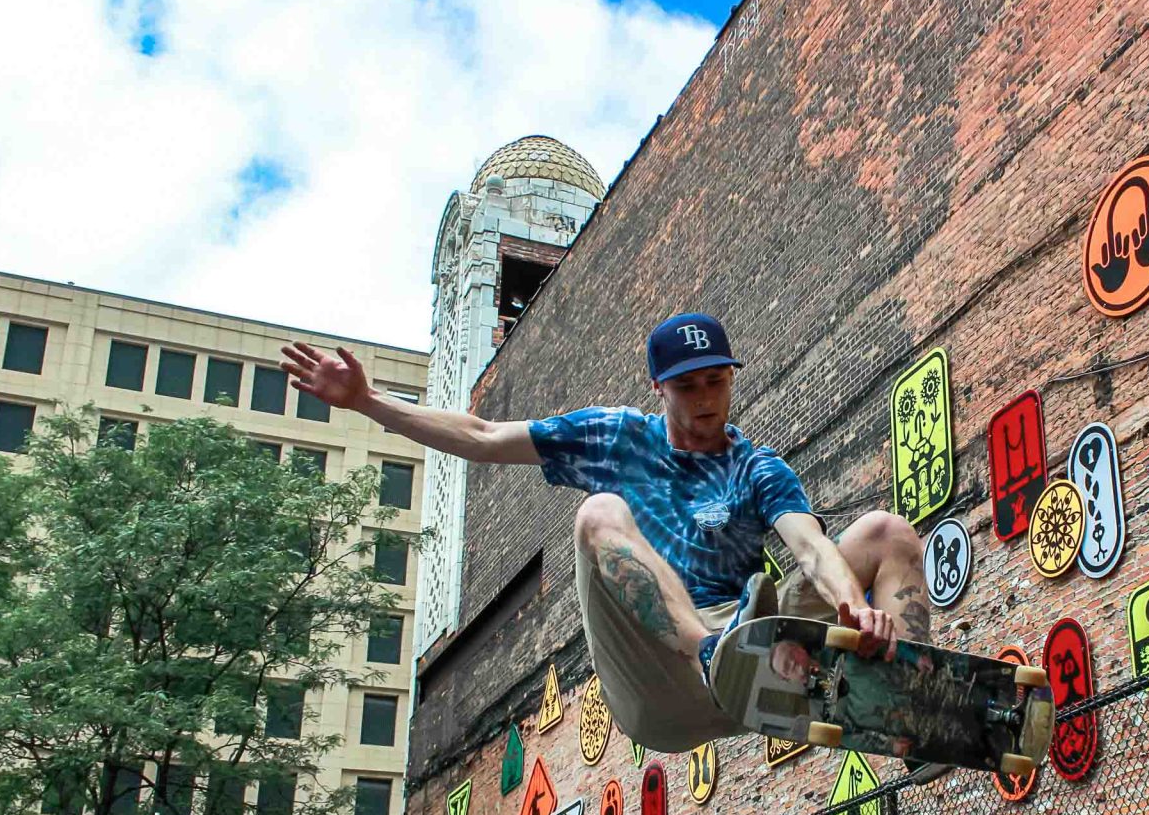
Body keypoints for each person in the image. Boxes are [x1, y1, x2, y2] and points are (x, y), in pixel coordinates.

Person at [280, 313, 935, 764]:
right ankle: (713, 654)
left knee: (885, 531)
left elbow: (810, 545)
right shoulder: (613, 436)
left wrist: (852, 605)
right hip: (659, 677)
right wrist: (370, 402)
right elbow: (482, 439)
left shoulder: (756, 467)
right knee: (599, 512)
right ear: (659, 387)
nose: (706, 400)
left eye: (717, 382)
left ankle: (914, 712)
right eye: (688, 387)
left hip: (756, 650)